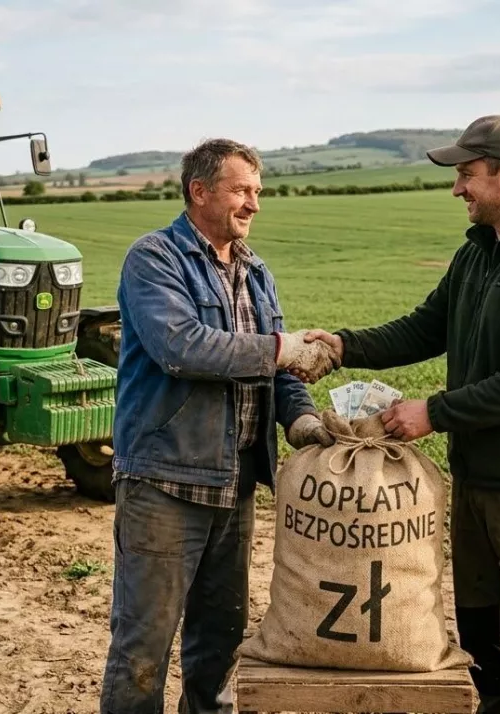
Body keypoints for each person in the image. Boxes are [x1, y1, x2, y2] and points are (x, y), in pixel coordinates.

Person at [303, 114, 500, 714]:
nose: (457, 188)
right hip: (475, 479)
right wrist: (342, 345)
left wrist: (434, 413)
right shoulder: (477, 254)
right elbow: (424, 327)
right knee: (480, 638)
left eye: (467, 174)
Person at [100, 138, 337, 714]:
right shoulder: (155, 259)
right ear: (198, 191)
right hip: (165, 485)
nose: (253, 203)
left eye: (257, 191)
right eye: (241, 190)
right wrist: (283, 347)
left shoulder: (257, 274)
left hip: (235, 488)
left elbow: (276, 373)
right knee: (142, 651)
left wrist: (302, 420)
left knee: (219, 647)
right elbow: (182, 348)